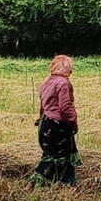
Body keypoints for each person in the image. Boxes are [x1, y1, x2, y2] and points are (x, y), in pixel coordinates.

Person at [28, 55, 81, 188]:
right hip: (58, 125)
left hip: (46, 123)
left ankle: (69, 182)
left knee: (66, 152)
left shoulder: (47, 82)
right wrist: (73, 122)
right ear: (67, 68)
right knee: (52, 156)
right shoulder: (63, 83)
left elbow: (42, 105)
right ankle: (33, 183)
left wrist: (40, 118)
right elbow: (65, 108)